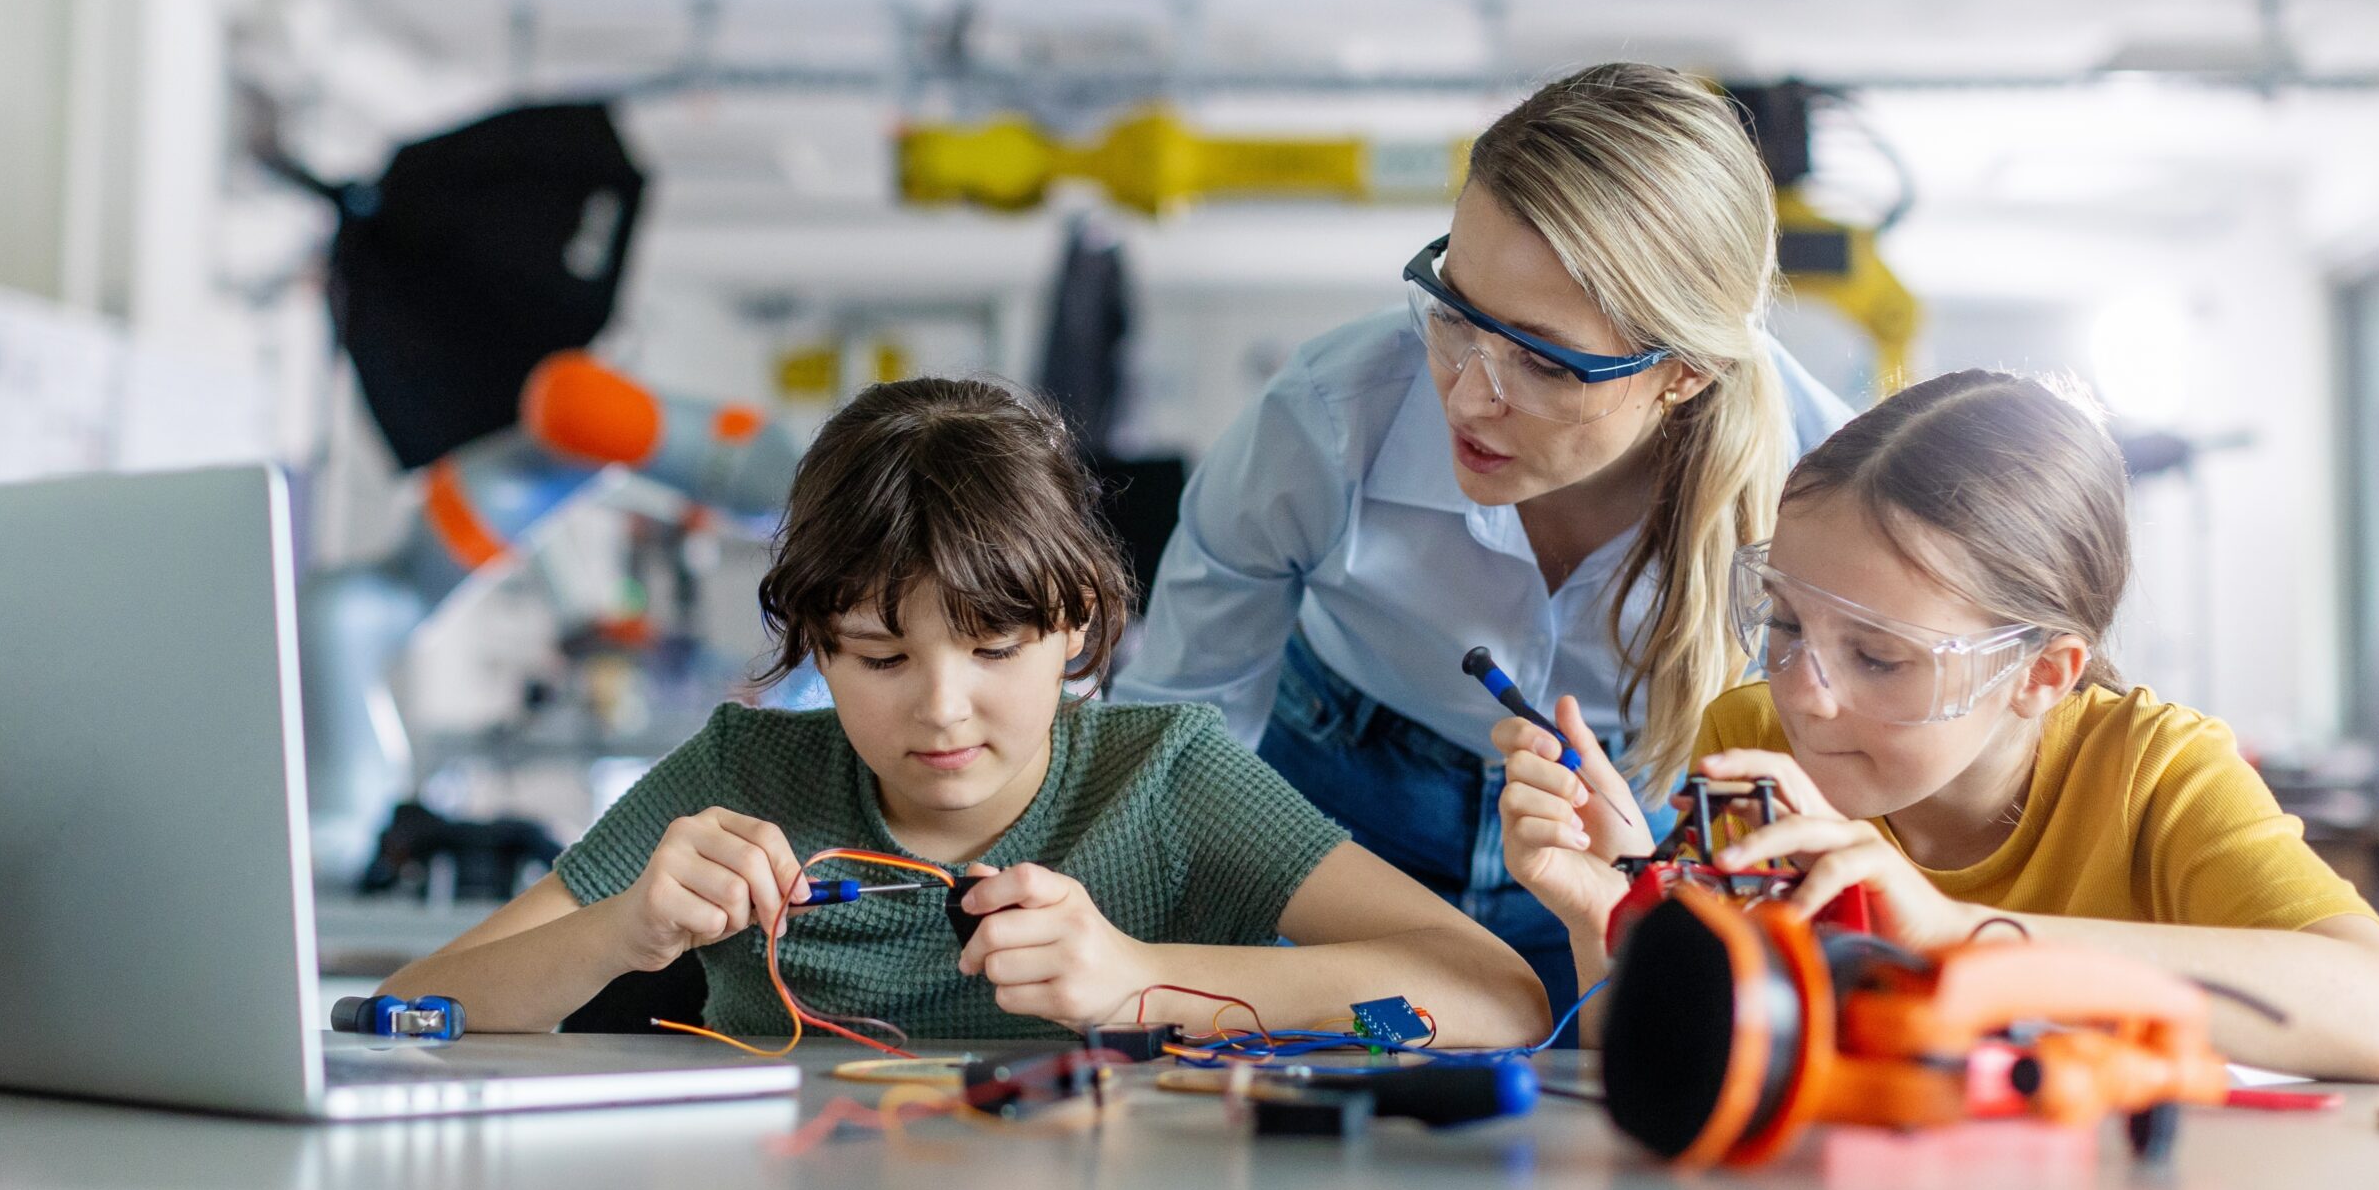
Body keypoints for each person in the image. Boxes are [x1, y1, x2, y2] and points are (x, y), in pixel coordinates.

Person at [381, 378, 1547, 1045]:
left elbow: (1498, 993)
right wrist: (620, 933)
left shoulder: (1169, 776)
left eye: (993, 647)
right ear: (814, 650)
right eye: (878, 656)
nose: (941, 709)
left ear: (1081, 624)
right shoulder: (744, 767)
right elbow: (404, 1009)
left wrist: (1136, 979)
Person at [1118, 63, 1848, 1017]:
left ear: (1685, 374)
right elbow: (1179, 733)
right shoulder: (1328, 418)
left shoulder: (1822, 490)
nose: (1463, 395)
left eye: (1544, 361)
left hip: (1621, 830)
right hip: (1333, 803)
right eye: (1454, 312)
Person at [1495, 369, 2379, 1081]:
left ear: (2040, 671)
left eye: (1880, 657)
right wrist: (1613, 920)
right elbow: (1690, 1074)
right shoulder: (1757, 742)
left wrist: (1957, 932)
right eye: (1785, 626)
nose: (1807, 693)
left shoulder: (2154, 770)